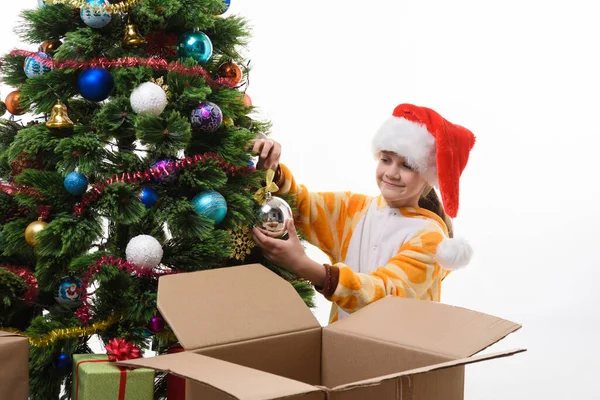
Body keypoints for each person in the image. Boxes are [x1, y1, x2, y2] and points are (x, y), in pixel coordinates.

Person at [251, 103, 476, 323]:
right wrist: (273, 168)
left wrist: (304, 265)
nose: (392, 173)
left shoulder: (431, 239)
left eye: (407, 165)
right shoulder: (354, 208)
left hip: (400, 357)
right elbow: (302, 207)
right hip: (342, 348)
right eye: (386, 160)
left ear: (428, 177)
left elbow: (384, 295)